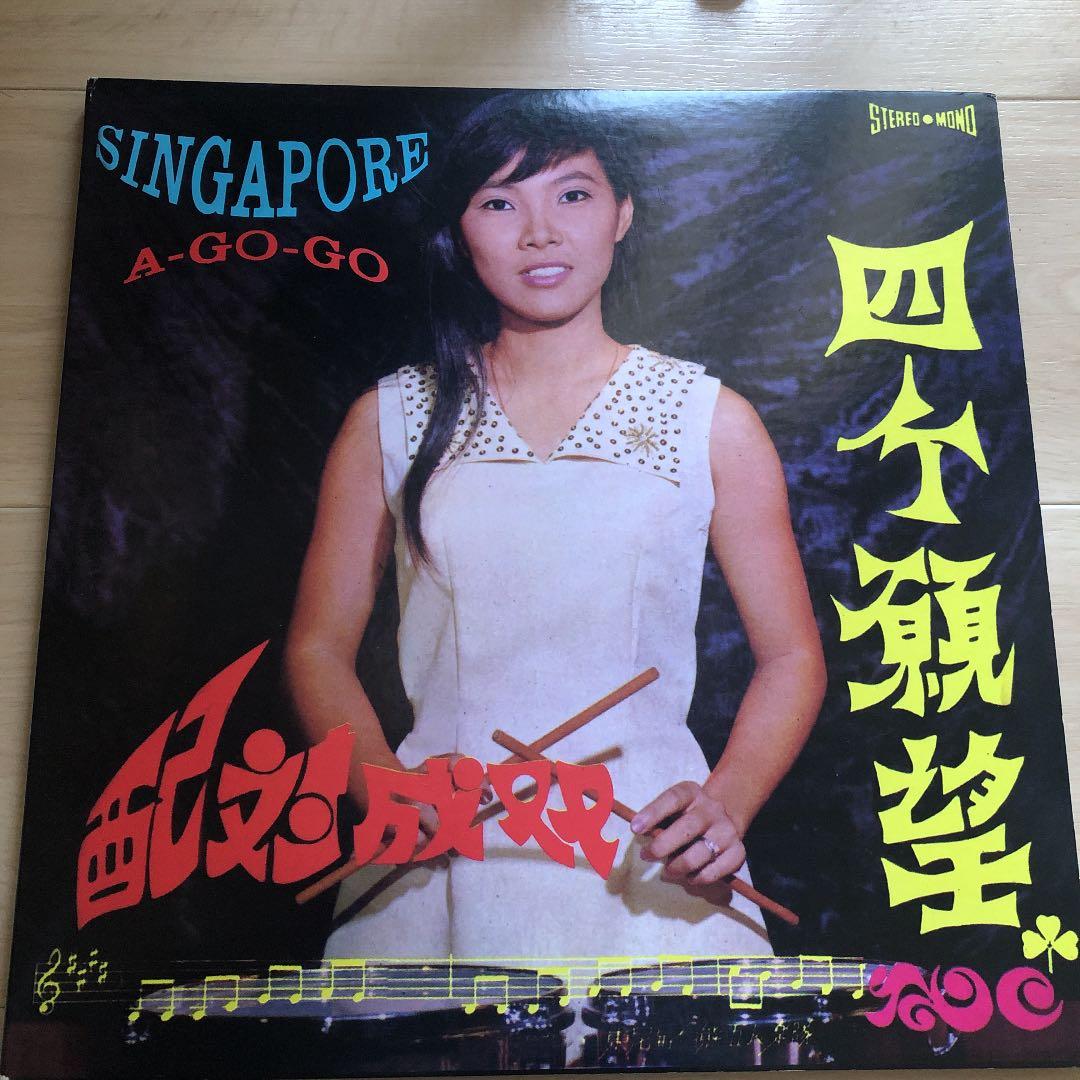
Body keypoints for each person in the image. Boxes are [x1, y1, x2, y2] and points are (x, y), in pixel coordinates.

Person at [285, 92, 826, 967]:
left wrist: (726, 803)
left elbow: (792, 655)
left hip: (650, 855)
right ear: (459, 232)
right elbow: (316, 646)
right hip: (438, 849)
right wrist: (379, 785)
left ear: (622, 214)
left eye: (572, 194)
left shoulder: (709, 419)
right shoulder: (390, 418)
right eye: (499, 203)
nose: (539, 233)